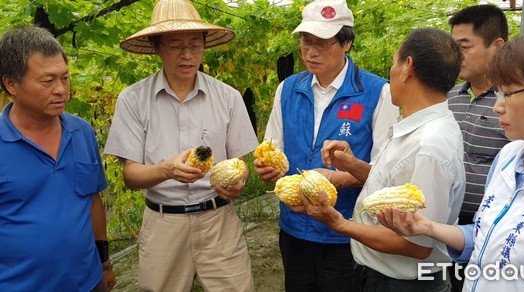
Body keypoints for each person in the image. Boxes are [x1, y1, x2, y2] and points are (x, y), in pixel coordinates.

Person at [378, 25, 524, 291]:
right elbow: (487, 237)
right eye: (498, 92)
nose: (497, 106)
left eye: (508, 93)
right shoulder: (509, 157)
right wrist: (428, 227)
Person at [104, 0, 257, 291]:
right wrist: (166, 170)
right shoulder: (133, 99)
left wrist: (239, 182)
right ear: (157, 47)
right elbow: (131, 176)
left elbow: (240, 165)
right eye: (175, 45)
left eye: (195, 45)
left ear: (204, 46)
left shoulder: (228, 97)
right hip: (164, 224)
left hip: (219, 221)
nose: (187, 55)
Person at [296, 27, 465, 291]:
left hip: (403, 283)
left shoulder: (429, 146)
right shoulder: (417, 126)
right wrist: (353, 165)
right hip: (381, 275)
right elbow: (397, 186)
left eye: (393, 63)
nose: (391, 72)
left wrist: (338, 223)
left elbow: (416, 245)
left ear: (408, 67)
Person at [253, 0, 399, 290]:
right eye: (305, 42)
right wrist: (269, 167)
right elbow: (274, 146)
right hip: (293, 228)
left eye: (322, 43)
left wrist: (340, 179)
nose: (310, 51)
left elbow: (385, 168)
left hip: (345, 232)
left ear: (346, 43)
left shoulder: (377, 91)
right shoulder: (288, 89)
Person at [0, 26, 116, 291]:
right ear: (11, 84)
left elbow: (93, 201)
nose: (61, 90)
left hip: (89, 282)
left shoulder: (81, 131)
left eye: (65, 78)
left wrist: (105, 262)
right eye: (47, 81)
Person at [445, 5, 511, 290]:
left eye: (464, 46)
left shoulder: (513, 104)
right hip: (445, 229)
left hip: (494, 236)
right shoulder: (448, 97)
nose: (455, 56)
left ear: (497, 46)